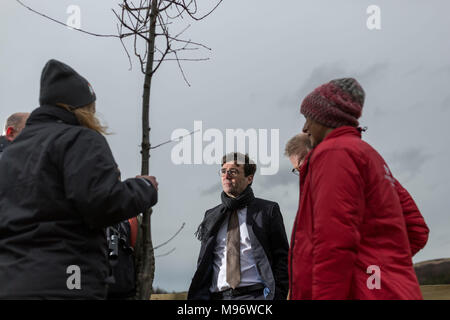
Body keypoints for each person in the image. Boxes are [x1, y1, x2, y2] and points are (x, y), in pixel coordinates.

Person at [0, 59, 158, 299]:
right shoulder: (80, 140)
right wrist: (144, 187)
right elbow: (102, 203)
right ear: (79, 107)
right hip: (66, 284)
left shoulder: (11, 153)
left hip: (11, 283)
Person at [289, 77, 428, 300]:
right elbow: (416, 228)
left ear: (325, 118)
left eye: (308, 118)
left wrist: (364, 274)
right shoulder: (368, 155)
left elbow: (333, 243)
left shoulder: (334, 153)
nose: (305, 127)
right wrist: (381, 270)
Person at [284, 132, 428, 257]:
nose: (302, 175)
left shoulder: (365, 177)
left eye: (301, 167)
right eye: (297, 170)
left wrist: (381, 265)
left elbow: (417, 231)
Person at [188, 152, 289, 300]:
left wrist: (277, 297)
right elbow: (203, 262)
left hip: (255, 296)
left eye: (233, 171)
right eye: (223, 171)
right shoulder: (211, 216)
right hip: (217, 296)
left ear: (249, 178)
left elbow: (282, 258)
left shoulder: (267, 210)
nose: (227, 175)